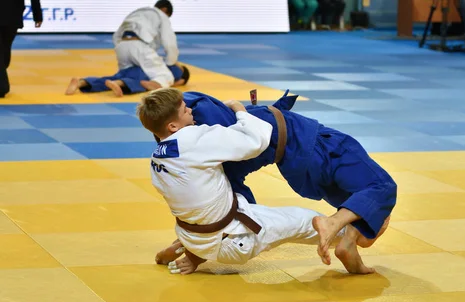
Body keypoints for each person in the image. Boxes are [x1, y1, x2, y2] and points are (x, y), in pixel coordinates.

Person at [156, 89, 396, 274]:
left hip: (299, 165)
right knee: (382, 187)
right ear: (173, 125)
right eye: (185, 111)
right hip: (306, 142)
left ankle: (349, 238)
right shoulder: (198, 112)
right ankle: (334, 223)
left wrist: (193, 250)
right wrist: (240, 110)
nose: (191, 113)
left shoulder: (181, 162)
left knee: (361, 206)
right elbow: (255, 138)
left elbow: (229, 211)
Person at [112, 0, 178, 90]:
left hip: (121, 47)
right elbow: (169, 43)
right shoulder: (161, 15)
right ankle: (155, 84)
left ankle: (116, 83)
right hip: (138, 46)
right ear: (164, 9)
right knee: (166, 76)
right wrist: (170, 63)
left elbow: (116, 36)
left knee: (128, 73)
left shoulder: (137, 12)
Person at [64, 62, 190, 97]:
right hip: (143, 75)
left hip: (134, 67)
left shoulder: (163, 61)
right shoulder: (174, 74)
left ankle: (81, 82)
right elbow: (146, 83)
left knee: (108, 79)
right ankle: (117, 84)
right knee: (139, 84)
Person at [1, 0, 42, 98]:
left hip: (12, 15)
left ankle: (2, 85)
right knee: (4, 51)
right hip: (13, 15)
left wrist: (37, 15)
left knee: (4, 51)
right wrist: (38, 15)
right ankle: (2, 86)